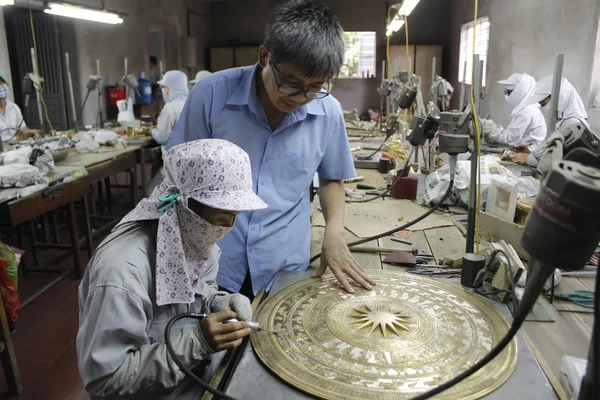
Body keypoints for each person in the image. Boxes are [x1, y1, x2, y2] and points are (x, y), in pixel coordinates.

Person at [167, 0, 375, 296]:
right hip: (214, 259)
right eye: (290, 83)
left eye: (314, 87)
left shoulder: (328, 112)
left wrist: (335, 230)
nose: (300, 97)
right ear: (265, 56)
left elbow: (331, 178)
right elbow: (178, 176)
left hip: (284, 263)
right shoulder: (210, 94)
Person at [77, 139, 268, 399]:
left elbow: (195, 293)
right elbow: (105, 381)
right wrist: (196, 343)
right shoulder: (122, 273)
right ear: (186, 207)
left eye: (234, 216)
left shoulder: (196, 237)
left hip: (193, 382)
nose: (228, 226)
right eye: (223, 218)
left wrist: (218, 302)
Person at [512, 76, 589, 166]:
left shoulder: (573, 123)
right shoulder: (563, 121)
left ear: (560, 98)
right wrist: (530, 152)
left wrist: (529, 159)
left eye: (543, 104)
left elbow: (562, 164)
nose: (542, 109)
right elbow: (553, 150)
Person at [147, 70, 190, 193]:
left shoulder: (170, 108)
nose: (163, 91)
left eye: (165, 88)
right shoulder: (190, 103)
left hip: (173, 163)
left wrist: (153, 131)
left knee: (153, 191)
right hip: (188, 160)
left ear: (170, 88)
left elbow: (163, 138)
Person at [480, 73, 546, 151]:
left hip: (530, 153)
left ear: (521, 91)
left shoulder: (527, 112)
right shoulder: (527, 108)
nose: (506, 95)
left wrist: (486, 126)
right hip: (526, 149)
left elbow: (509, 139)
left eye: (508, 92)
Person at [0, 74, 39, 143]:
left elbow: (22, 127)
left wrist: (28, 132)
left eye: (2, 84)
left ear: (8, 87)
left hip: (16, 147)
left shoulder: (14, 108)